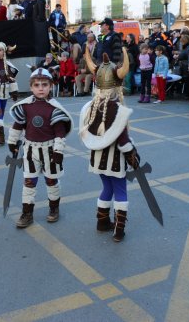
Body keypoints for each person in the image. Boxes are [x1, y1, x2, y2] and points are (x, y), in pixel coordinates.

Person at [79, 45, 139, 242]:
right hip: (115, 160)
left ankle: (102, 222)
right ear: (118, 86)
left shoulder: (90, 107)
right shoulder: (118, 109)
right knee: (120, 191)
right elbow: (123, 140)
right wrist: (133, 158)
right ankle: (119, 230)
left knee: (107, 188)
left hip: (98, 159)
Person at [7, 68, 73, 228]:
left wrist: (58, 151)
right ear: (31, 87)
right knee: (29, 182)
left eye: (44, 84)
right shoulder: (26, 106)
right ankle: (27, 213)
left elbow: (60, 132)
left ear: (50, 86)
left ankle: (54, 209)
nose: (41, 88)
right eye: (37, 85)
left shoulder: (54, 108)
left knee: (51, 181)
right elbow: (17, 125)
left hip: (49, 151)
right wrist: (12, 141)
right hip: (30, 151)